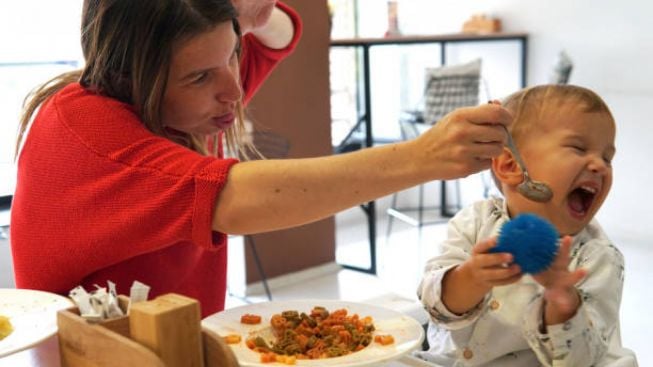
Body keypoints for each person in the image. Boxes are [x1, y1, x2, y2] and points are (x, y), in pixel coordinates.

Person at [10, 0, 512, 318]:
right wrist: (423, 156)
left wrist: (251, 13)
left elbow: (283, 34)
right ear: (135, 74)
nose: (234, 90)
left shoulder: (186, 103)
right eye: (202, 76)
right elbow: (231, 197)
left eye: (232, 54)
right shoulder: (88, 132)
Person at [415, 85, 637, 366]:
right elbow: (434, 306)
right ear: (510, 166)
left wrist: (563, 304)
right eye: (578, 148)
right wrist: (472, 277)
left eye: (607, 157)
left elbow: (582, 360)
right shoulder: (474, 222)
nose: (599, 166)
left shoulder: (597, 256)